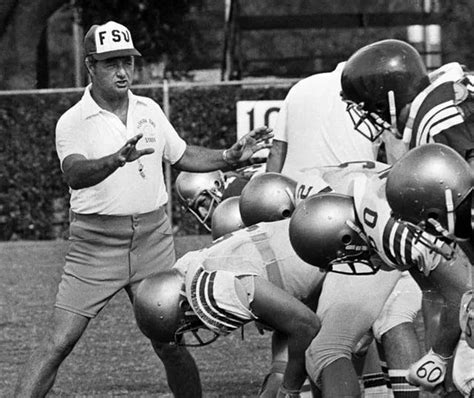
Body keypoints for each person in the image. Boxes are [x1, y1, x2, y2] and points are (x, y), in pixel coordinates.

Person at [13, 21, 273, 398]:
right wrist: (112, 160)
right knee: (60, 341)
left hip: (153, 240)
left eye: (128, 62)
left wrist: (229, 157)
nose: (123, 72)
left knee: (170, 340)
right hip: (96, 246)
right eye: (110, 64)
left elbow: (181, 155)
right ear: (90, 67)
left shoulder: (149, 109)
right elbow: (74, 173)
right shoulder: (73, 120)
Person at [340, 39, 474, 392]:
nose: (367, 117)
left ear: (388, 96)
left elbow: (469, 185)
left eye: (367, 106)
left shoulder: (435, 118)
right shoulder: (441, 96)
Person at [289, 143, 473, 397]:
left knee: (328, 348)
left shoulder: (393, 230)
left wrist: (440, 354)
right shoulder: (380, 204)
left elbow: (457, 294)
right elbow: (442, 291)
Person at [133, 218, 325, 398]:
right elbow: (287, 321)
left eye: (190, 325)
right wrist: (278, 377)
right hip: (312, 252)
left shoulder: (223, 285)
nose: (197, 329)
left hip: (332, 262)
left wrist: (289, 388)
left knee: (331, 353)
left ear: (183, 306)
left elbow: (306, 326)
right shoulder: (189, 269)